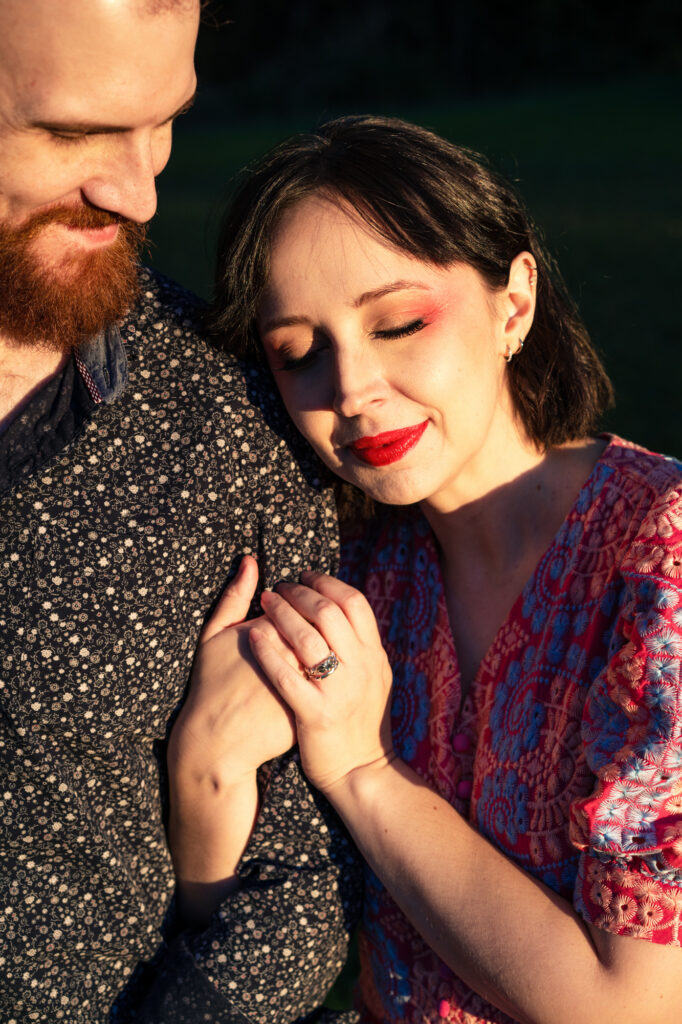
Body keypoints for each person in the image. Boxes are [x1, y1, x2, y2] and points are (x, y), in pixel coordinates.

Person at [181, 115, 682, 1023]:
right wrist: (204, 766)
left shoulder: (661, 560)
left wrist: (364, 772)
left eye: (399, 322)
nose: (352, 387)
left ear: (514, 302)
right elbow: (235, 930)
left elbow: (630, 1005)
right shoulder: (357, 570)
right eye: (299, 352)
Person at [0, 4, 359, 1022]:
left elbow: (297, 892)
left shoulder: (229, 417)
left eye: (163, 119)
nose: (137, 188)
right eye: (72, 133)